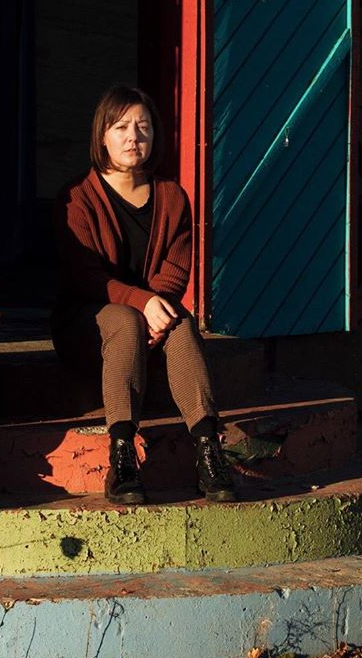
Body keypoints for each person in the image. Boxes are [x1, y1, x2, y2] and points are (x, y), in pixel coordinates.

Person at [53, 85, 237, 505]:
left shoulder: (171, 196)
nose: (133, 137)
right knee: (123, 319)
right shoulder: (76, 197)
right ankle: (122, 458)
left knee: (182, 324)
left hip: (149, 325)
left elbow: (176, 269)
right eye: (121, 127)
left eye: (143, 126)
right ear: (102, 135)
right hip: (86, 324)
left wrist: (157, 311)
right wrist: (143, 305)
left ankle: (209, 451)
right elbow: (86, 277)